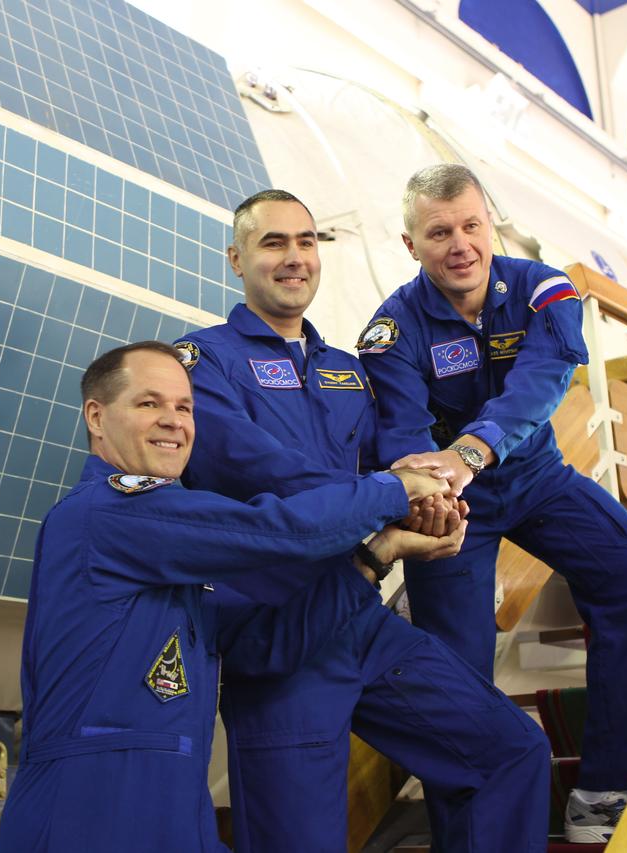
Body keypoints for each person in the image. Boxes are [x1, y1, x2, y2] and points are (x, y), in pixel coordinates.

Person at [176, 191, 550, 853]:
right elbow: (262, 471)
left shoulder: (348, 371)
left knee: (509, 749)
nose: (295, 257)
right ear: (236, 259)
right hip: (278, 634)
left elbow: (395, 462)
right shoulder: (202, 365)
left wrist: (436, 508)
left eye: (306, 241)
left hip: (360, 615)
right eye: (273, 243)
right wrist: (389, 495)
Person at [0, 341, 457, 853]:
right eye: (149, 403)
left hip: (175, 814)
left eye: (185, 407)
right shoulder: (107, 514)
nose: (174, 421)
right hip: (87, 817)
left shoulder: (175, 563)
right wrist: (395, 488)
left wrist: (378, 554)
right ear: (97, 417)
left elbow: (267, 644)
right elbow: (280, 531)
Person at [359, 163, 627, 843]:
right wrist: (433, 496)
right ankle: (463, 836)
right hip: (451, 507)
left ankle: (608, 788)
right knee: (458, 670)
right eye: (439, 231)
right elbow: (403, 433)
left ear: (491, 225)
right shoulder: (391, 330)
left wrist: (473, 450)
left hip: (538, 480)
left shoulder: (543, 289)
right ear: (411, 244)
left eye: (471, 225)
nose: (460, 244)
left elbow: (542, 380)